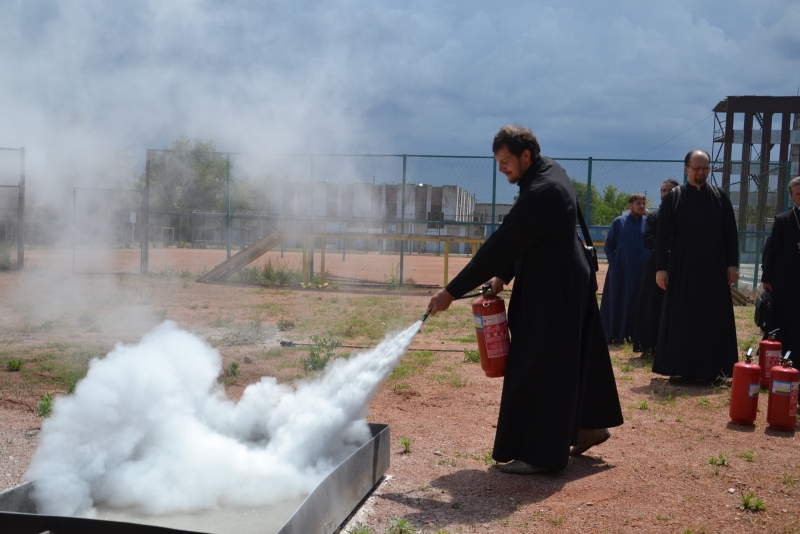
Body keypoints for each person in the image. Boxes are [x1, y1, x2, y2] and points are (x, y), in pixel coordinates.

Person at [427, 125, 623, 474]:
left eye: (505, 162)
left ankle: (539, 455)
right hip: (567, 279)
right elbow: (532, 235)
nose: (501, 168)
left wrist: (451, 291)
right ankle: (589, 425)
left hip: (554, 288)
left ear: (526, 156)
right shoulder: (550, 171)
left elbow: (502, 244)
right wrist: (503, 275)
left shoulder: (541, 191)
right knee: (573, 358)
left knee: (539, 365)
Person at [653, 150, 739, 382]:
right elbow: (662, 237)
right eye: (696, 168)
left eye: (705, 168)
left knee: (713, 317)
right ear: (686, 169)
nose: (701, 172)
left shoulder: (720, 197)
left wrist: (732, 264)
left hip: (714, 269)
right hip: (682, 269)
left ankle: (714, 369)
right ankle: (681, 367)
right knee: (683, 317)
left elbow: (730, 234)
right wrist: (661, 268)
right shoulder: (674, 197)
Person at [631, 179, 680, 353]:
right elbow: (648, 240)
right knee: (652, 303)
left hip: (679, 264)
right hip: (657, 264)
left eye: (669, 190)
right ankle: (651, 344)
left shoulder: (683, 215)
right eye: (663, 190)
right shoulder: (654, 216)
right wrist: (670, 244)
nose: (666, 193)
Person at [599, 193, 649, 343]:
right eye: (638, 203)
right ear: (630, 205)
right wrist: (614, 264)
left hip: (642, 270)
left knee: (638, 301)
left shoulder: (648, 223)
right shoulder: (619, 222)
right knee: (618, 299)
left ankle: (635, 335)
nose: (641, 206)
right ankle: (612, 333)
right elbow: (609, 246)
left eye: (643, 204)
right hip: (621, 270)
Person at [761, 175, 800, 361]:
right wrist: (767, 279)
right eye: (798, 194)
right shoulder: (783, 220)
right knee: (785, 320)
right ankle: (783, 359)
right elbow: (772, 251)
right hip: (786, 281)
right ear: (792, 196)